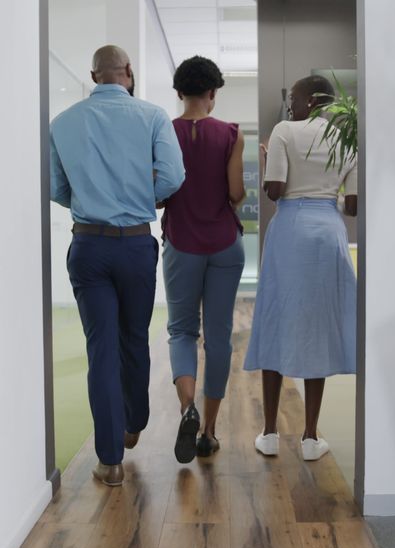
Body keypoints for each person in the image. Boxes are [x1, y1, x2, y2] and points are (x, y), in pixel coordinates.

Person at [50, 45, 185, 486]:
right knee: (133, 339)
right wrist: (138, 199)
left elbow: (53, 186)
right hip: (134, 246)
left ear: (93, 76)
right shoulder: (152, 116)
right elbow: (172, 176)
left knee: (100, 349)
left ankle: (109, 463)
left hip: (88, 246)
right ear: (129, 71)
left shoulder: (63, 122)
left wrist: (93, 201)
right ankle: (134, 422)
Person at [244, 75, 358, 461]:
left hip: (290, 229)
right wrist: (325, 202)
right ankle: (311, 438)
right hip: (328, 230)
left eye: (293, 97)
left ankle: (271, 432)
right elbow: (353, 204)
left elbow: (275, 190)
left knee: (276, 320)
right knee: (318, 327)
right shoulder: (347, 140)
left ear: (312, 99)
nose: (290, 104)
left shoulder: (284, 131)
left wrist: (265, 163)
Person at [160, 56, 246, 463]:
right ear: (212, 93)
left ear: (180, 93)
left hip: (182, 243)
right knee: (219, 338)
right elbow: (235, 194)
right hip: (225, 244)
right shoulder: (230, 133)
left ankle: (186, 408)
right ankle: (209, 432)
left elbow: (159, 192)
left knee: (181, 331)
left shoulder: (164, 133)